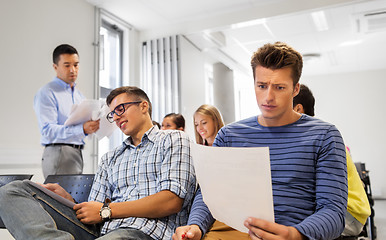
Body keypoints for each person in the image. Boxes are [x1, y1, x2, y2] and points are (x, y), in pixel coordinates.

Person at [173, 42, 347, 240]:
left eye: (279, 87)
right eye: (262, 86)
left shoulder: (324, 136)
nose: (268, 97)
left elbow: (333, 212)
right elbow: (209, 196)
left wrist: (294, 234)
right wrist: (195, 226)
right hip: (234, 233)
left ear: (295, 89)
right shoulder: (229, 135)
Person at [0, 86, 196, 239]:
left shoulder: (173, 139)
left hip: (143, 232)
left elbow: (171, 201)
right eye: (112, 114)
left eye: (121, 109)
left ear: (144, 106)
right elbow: (95, 211)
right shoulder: (110, 158)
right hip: (100, 231)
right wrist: (69, 201)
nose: (116, 117)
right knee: (13, 190)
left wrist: (106, 211)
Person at [293, 83, 371, 237]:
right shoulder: (312, 133)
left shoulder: (317, 136)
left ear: (298, 109)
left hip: (349, 212)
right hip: (345, 208)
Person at [34, 44, 100, 179]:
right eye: (67, 65)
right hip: (58, 152)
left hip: (77, 153)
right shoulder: (47, 92)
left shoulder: (79, 95)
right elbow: (47, 130)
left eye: (76, 65)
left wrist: (91, 126)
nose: (73, 70)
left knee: (72, 199)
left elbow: (81, 128)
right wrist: (82, 129)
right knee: (58, 199)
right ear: (55, 67)